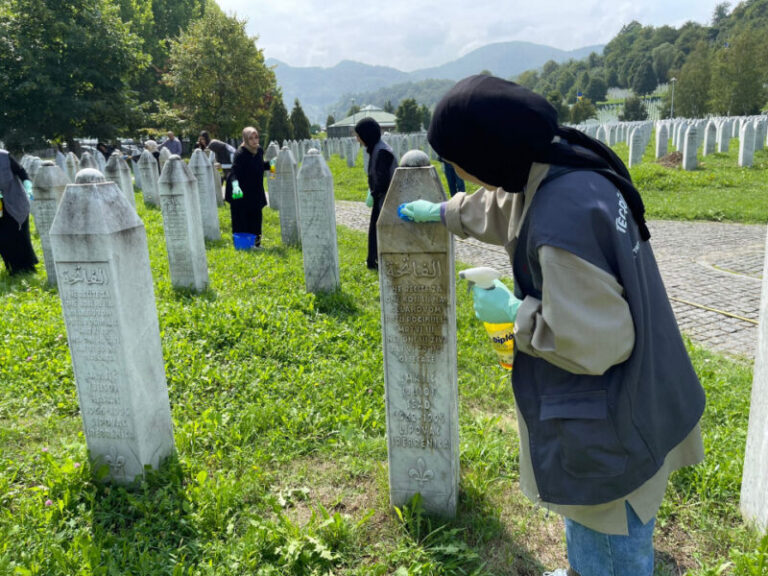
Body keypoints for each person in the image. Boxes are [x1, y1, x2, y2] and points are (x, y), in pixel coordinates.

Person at [398, 75, 705, 576]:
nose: (456, 172)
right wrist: (444, 212)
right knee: (589, 518)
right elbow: (504, 206)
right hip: (639, 391)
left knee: (608, 528)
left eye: (457, 162)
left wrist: (513, 312)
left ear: (488, 153)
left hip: (609, 413)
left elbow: (599, 341)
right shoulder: (561, 163)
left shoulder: (561, 224)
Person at [354, 117, 397, 270]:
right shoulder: (377, 149)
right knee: (375, 230)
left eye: (358, 135)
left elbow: (384, 179)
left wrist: (374, 192)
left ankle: (376, 261)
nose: (357, 138)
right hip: (381, 198)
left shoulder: (382, 152)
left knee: (377, 231)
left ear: (367, 135)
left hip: (385, 199)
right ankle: (373, 261)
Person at [225, 127, 269, 248]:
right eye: (251, 138)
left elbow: (258, 165)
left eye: (256, 137)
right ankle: (243, 245)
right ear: (245, 139)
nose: (255, 140)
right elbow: (234, 172)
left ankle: (256, 244)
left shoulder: (259, 150)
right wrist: (235, 186)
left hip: (255, 191)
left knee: (256, 217)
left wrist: (270, 164)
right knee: (242, 218)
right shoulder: (240, 154)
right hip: (241, 192)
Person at [0, 149, 38, 275]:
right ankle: (13, 267)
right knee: (4, 238)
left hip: (15, 201)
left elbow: (22, 173)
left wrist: (28, 187)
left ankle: (27, 266)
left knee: (20, 236)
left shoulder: (4, 156)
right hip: (0, 207)